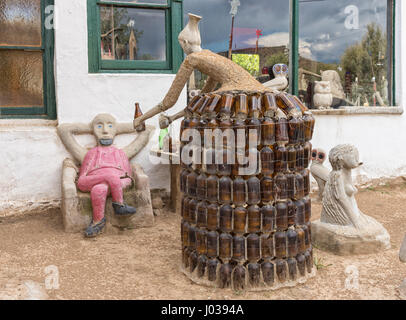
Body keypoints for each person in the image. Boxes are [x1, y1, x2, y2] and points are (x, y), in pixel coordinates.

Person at [58, 113, 153, 237]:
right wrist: (90, 127)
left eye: (110, 126)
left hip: (117, 183)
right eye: (99, 127)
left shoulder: (120, 153)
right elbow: (63, 130)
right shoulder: (91, 154)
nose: (105, 131)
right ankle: (119, 205)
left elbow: (147, 129)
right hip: (91, 180)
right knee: (110, 177)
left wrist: (119, 127)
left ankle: (98, 222)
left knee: (99, 189)